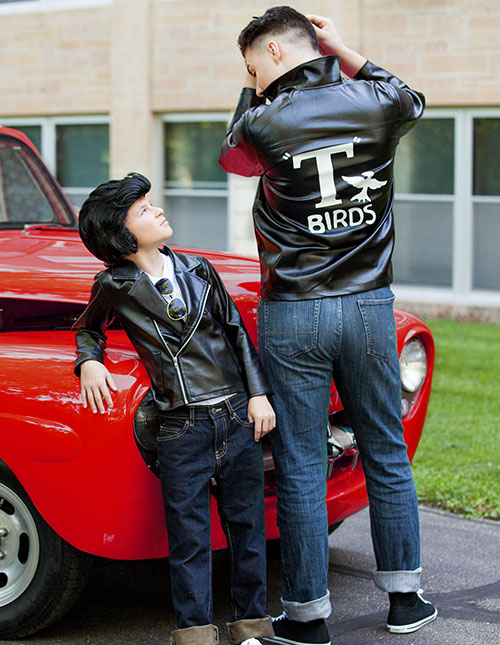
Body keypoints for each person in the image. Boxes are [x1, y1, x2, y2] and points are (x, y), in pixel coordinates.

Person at [219, 6, 437, 644]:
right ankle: (406, 600)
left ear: (275, 54)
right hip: (370, 306)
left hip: (293, 311)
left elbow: (234, 155)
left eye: (252, 61)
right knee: (386, 454)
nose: (251, 74)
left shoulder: (262, 119)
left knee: (301, 463)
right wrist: (346, 50)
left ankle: (309, 620)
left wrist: (255, 90)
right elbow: (411, 98)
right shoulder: (373, 101)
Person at [73, 172, 276, 645]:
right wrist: (89, 362)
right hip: (181, 426)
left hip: (234, 414)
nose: (158, 210)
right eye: (143, 210)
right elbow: (89, 329)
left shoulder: (199, 269)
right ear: (121, 235)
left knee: (248, 528)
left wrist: (258, 394)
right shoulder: (114, 284)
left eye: (151, 203)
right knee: (189, 538)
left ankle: (251, 628)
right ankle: (195, 634)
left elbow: (235, 332)